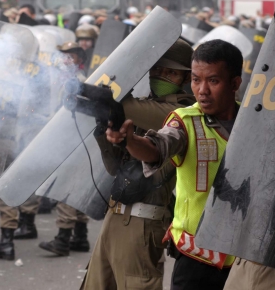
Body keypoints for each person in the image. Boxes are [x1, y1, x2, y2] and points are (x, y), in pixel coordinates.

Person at [104, 39, 242, 289]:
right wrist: (130, 141)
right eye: (196, 80)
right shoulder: (184, 121)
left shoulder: (253, 124)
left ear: (235, 83)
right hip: (195, 258)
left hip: (243, 259)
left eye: (213, 81)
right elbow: (156, 147)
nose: (202, 90)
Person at [81, 39, 196, 289]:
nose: (161, 76)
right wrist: (104, 131)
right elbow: (115, 168)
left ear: (186, 77)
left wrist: (109, 104)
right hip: (114, 215)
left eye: (171, 72)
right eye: (156, 69)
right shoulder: (141, 108)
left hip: (144, 223)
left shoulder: (184, 111)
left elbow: (132, 108)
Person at [38, 41, 91, 256]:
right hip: (71, 139)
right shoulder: (64, 79)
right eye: (63, 56)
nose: (65, 60)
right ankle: (80, 237)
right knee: (76, 189)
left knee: (65, 189)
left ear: (79, 59)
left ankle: (62, 239)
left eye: (70, 56)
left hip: (71, 140)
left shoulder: (77, 81)